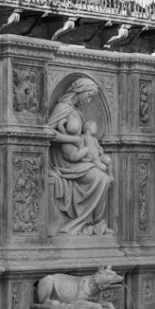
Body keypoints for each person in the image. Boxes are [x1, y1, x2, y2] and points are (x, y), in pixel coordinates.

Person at [47, 77, 113, 235]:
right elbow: (48, 132)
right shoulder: (62, 108)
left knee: (103, 178)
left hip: (77, 160)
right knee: (101, 178)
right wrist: (73, 139)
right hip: (65, 162)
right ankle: (84, 223)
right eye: (88, 95)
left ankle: (96, 223)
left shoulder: (75, 111)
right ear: (80, 91)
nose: (89, 100)